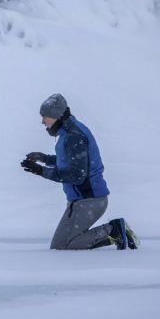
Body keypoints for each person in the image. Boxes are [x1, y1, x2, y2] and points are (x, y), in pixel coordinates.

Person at [20, 93, 137, 250]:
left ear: (56, 116)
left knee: (61, 246)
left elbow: (76, 175)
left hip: (87, 201)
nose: (43, 121)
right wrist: (44, 158)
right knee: (62, 245)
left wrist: (41, 171)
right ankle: (114, 232)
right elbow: (70, 162)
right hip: (89, 200)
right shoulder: (70, 132)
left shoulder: (73, 136)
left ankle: (113, 231)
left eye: (45, 117)